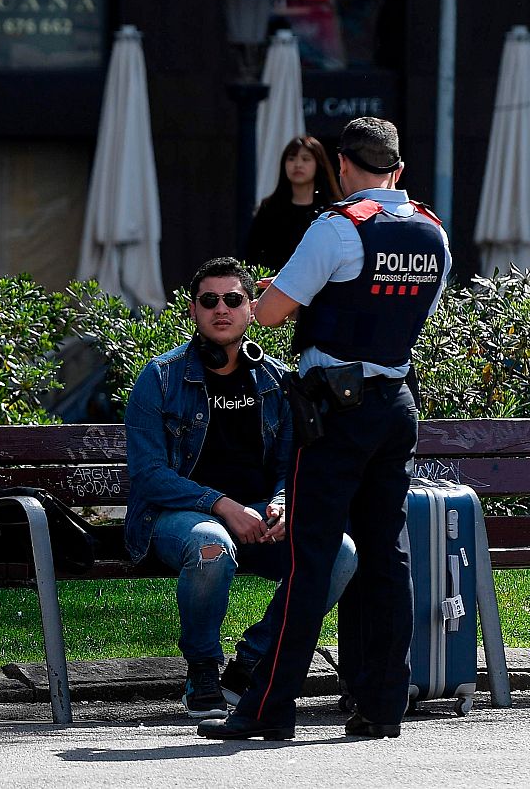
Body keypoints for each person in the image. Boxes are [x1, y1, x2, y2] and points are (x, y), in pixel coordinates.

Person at [200, 117, 451, 741]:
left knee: (311, 558)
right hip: (396, 404)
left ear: (341, 166)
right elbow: (403, 306)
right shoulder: (432, 231)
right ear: (398, 169)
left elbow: (275, 311)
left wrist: (267, 296)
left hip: (335, 413)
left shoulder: (338, 226)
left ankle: (268, 708)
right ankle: (382, 706)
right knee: (386, 557)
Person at [125, 257, 357, 719]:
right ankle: (203, 670)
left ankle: (251, 660)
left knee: (339, 551)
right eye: (209, 300)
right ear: (193, 311)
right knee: (210, 543)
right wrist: (221, 505)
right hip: (178, 520)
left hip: (255, 518)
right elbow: (149, 474)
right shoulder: (161, 378)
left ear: (252, 309)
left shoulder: (275, 380)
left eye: (233, 299)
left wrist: (280, 503)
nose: (221, 309)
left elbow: (292, 465)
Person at [244, 136, 343, 272]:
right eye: (291, 158)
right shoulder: (270, 208)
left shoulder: (331, 211)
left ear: (318, 164)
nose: (297, 164)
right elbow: (251, 255)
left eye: (305, 159)